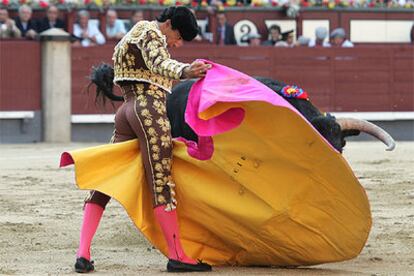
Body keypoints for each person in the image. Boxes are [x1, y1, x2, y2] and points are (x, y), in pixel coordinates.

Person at [74, 6, 212, 273]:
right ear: (169, 24)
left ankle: (83, 252)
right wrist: (186, 71)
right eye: (179, 36)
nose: (178, 43)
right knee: (161, 179)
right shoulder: (150, 33)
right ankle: (177, 255)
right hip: (148, 109)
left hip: (126, 110)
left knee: (106, 180)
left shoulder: (136, 32)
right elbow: (161, 64)